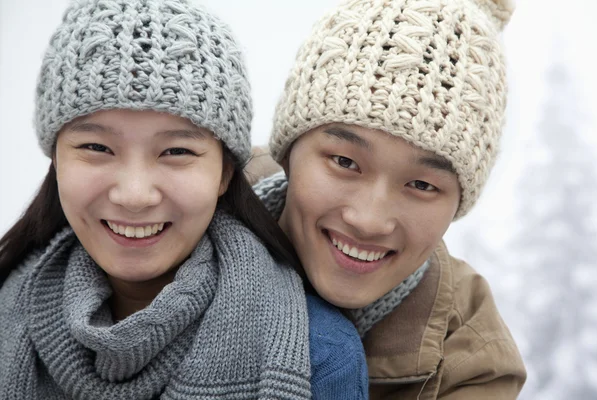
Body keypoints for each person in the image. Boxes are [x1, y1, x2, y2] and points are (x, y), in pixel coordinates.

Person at [0, 0, 368, 398]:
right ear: (56, 160)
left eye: (176, 151)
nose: (135, 196)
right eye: (96, 147)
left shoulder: (321, 354)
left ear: (225, 172)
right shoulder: (7, 308)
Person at [249, 0, 527, 398]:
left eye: (422, 185)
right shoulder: (184, 221)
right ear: (288, 153)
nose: (369, 219)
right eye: (345, 161)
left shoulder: (470, 362)